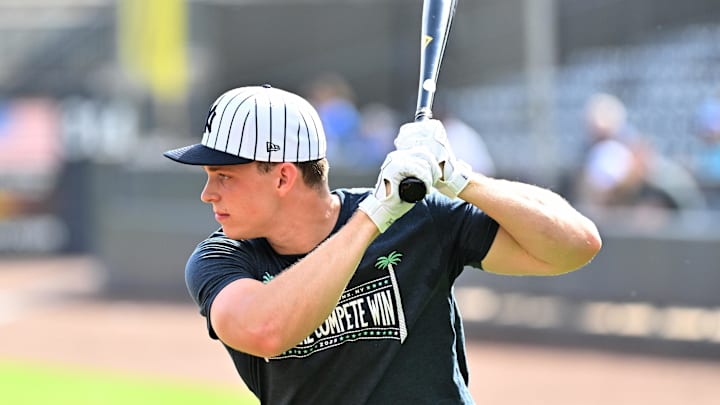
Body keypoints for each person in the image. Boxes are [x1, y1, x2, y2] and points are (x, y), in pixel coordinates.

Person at [163, 84, 602, 404]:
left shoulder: (419, 218)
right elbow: (264, 330)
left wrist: (462, 179)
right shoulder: (220, 257)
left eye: (224, 177)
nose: (209, 194)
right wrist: (373, 218)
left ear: (282, 176)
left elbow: (575, 245)